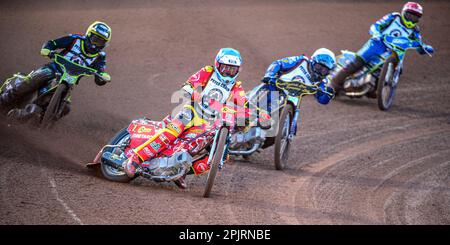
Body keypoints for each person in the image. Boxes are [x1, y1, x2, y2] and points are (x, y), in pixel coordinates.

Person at [123, 48, 252, 188]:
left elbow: (243, 108)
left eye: (232, 70)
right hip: (192, 111)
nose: (228, 73)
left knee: (215, 155)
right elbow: (190, 83)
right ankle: (134, 159)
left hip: (208, 124)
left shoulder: (237, 88)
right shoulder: (208, 72)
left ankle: (181, 172)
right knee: (171, 133)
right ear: (217, 64)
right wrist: (189, 90)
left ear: (238, 70)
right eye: (225, 68)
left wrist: (244, 121)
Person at [0, 21, 112, 119]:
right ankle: (4, 99)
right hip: (53, 69)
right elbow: (53, 43)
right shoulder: (75, 39)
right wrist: (47, 50)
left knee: (66, 108)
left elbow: (100, 72)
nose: (96, 44)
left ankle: (41, 121)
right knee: (33, 80)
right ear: (88, 35)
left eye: (101, 42)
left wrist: (102, 76)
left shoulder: (100, 56)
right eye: (95, 39)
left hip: (70, 81)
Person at [330, 2, 434, 90]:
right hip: (378, 43)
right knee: (357, 62)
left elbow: (419, 44)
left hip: (396, 51)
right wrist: (376, 33)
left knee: (398, 69)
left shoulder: (415, 31)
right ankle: (333, 85)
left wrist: (425, 48)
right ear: (403, 13)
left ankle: (375, 88)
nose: (411, 19)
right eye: (410, 15)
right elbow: (376, 25)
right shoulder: (394, 17)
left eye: (415, 17)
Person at [261, 48, 336, 106]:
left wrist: (327, 95)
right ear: (313, 61)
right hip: (274, 87)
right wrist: (270, 75)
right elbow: (279, 63)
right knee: (261, 106)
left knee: (292, 125)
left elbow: (322, 100)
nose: (320, 71)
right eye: (319, 66)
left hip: (292, 100)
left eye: (325, 70)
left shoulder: (321, 81)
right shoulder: (301, 61)